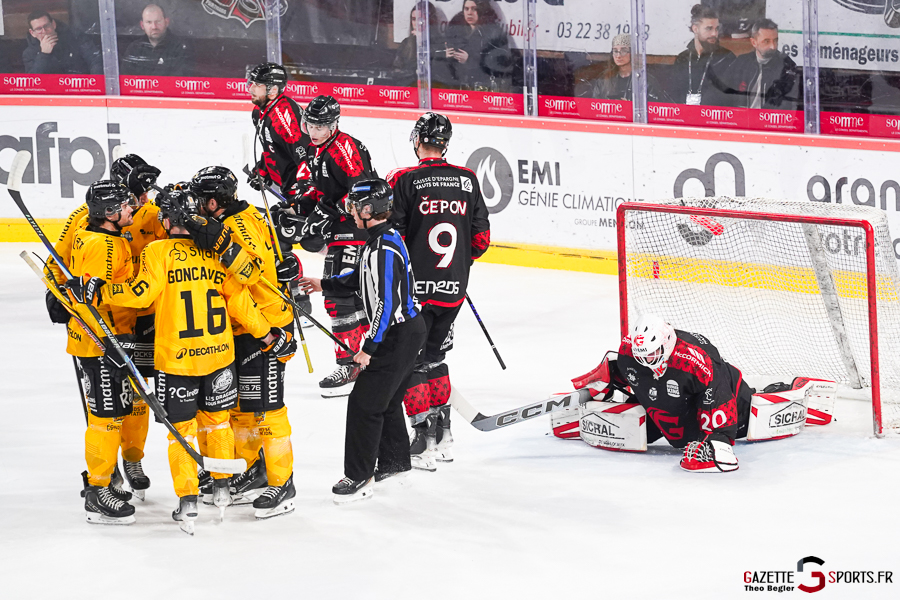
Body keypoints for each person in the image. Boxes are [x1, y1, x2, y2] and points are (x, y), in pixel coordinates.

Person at [70, 189, 295, 532]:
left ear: (166, 220)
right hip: (219, 357)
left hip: (176, 361)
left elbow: (141, 293)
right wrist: (267, 336)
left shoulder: (157, 251)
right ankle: (221, 486)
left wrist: (100, 291)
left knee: (181, 433)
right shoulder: (215, 253)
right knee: (218, 423)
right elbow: (241, 303)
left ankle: (188, 501)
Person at [43, 156, 163, 503]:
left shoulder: (145, 212)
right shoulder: (87, 223)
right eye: (135, 195)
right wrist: (60, 294)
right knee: (106, 407)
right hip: (104, 327)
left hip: (138, 318)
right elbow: (60, 260)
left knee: (136, 396)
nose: (141, 201)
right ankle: (103, 475)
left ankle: (132, 459)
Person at [299, 179, 426, 503]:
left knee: (364, 404)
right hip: (406, 332)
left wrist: (368, 348)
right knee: (384, 400)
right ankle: (396, 462)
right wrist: (322, 283)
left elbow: (385, 304)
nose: (350, 211)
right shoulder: (380, 239)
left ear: (369, 210)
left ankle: (359, 476)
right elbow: (359, 278)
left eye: (355, 205)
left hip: (398, 334)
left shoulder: (382, 246)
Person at [185, 166, 298, 518]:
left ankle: (283, 483)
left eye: (201, 201)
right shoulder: (248, 214)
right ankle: (251, 470)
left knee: (267, 410)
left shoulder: (232, 230)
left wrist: (266, 335)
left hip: (262, 327)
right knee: (243, 410)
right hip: (248, 328)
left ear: (215, 202)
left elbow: (239, 293)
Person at [386, 113, 490, 471]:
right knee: (435, 358)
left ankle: (423, 437)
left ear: (417, 140)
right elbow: (480, 241)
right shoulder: (468, 179)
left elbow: (392, 236)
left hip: (414, 289)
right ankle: (445, 435)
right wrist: (456, 264)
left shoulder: (403, 179)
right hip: (453, 288)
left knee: (411, 361)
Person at [572, 315, 754, 472]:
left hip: (737, 410)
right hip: (674, 412)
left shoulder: (694, 360)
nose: (647, 361)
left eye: (652, 353)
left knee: (715, 397)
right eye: (641, 356)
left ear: (666, 343)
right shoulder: (629, 353)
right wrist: (610, 377)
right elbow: (634, 373)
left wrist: (719, 439)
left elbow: (718, 393)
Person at [281, 95, 376, 397]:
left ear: (334, 124)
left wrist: (329, 212)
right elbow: (320, 190)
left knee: (340, 296)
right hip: (342, 228)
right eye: (310, 123)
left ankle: (351, 363)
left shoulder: (344, 148)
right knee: (349, 296)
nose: (313, 129)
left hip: (356, 229)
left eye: (321, 125)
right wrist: (299, 205)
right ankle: (362, 360)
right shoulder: (316, 148)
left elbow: (361, 193)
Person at [62, 181, 138, 524]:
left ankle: (104, 480)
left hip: (106, 339)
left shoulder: (97, 236)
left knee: (112, 414)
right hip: (100, 342)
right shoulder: (103, 246)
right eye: (124, 206)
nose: (131, 209)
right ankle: (97, 490)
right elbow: (88, 300)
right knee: (106, 418)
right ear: (109, 214)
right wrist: (106, 340)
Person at [668, 4, 735, 107]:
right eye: (709, 29)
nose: (714, 34)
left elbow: (730, 99)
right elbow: (674, 95)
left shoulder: (727, 58)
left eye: (716, 29)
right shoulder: (682, 58)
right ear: (695, 29)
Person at [728, 18, 801, 110]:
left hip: (770, 121)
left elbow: (789, 106)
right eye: (767, 41)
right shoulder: (742, 63)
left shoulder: (787, 66)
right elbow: (727, 96)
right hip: (742, 119)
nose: (773, 46)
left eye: (775, 40)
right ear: (754, 42)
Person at [445, 0, 513, 91]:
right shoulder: (456, 31)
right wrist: (447, 57)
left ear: (482, 10)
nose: (469, 13)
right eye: (466, 9)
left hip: (484, 89)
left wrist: (469, 60)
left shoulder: (494, 33)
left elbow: (499, 65)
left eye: (474, 9)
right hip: (460, 88)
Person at [120, 4, 191, 77]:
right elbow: (126, 81)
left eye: (158, 21)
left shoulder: (180, 48)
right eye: (149, 22)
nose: (154, 27)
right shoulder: (134, 49)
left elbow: (180, 82)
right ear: (142, 25)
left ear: (166, 22)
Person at [23, 11, 102, 75]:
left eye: (46, 26)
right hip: (52, 92)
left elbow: (95, 60)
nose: (44, 31)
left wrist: (95, 84)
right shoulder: (29, 53)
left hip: (79, 87)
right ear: (32, 33)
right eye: (39, 29)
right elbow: (33, 82)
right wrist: (44, 55)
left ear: (53, 24)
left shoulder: (75, 37)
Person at [592, 34, 632, 101]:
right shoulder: (604, 79)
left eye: (624, 51)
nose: (618, 56)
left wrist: (628, 106)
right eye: (615, 51)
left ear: (632, 53)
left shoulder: (644, 80)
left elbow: (652, 107)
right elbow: (595, 105)